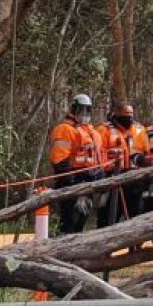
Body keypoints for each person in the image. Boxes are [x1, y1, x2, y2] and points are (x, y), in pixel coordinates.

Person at [47, 94, 106, 234]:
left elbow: (100, 160)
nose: (84, 114)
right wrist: (74, 188)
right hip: (71, 184)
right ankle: (64, 254)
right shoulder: (65, 129)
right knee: (69, 223)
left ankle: (75, 253)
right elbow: (60, 161)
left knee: (80, 223)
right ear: (74, 110)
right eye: (81, 110)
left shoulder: (94, 133)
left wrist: (102, 182)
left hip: (90, 184)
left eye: (87, 110)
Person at [101, 100, 149, 225]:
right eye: (125, 116)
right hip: (113, 178)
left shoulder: (140, 130)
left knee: (137, 214)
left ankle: (136, 243)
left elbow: (148, 151)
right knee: (109, 215)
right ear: (117, 114)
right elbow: (99, 155)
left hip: (135, 178)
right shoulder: (104, 130)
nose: (128, 119)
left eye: (130, 115)